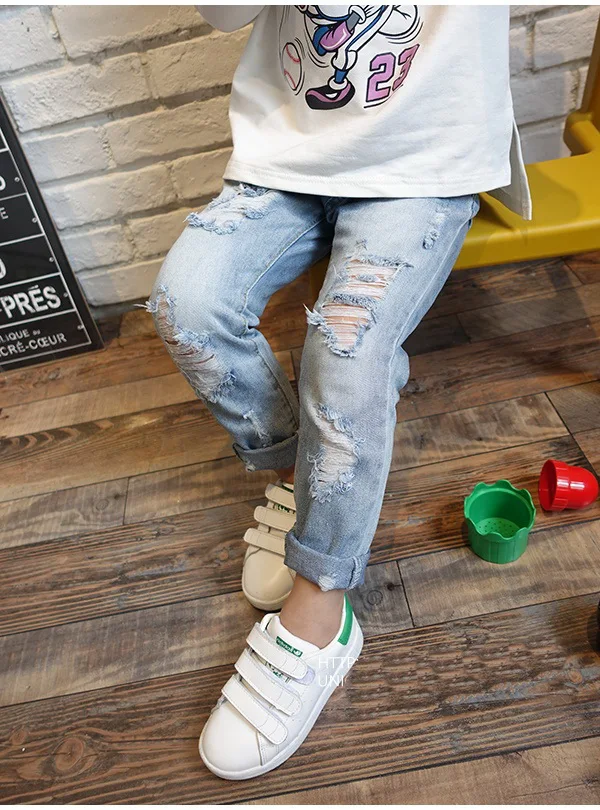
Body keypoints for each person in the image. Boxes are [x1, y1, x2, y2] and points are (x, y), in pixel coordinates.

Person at [146, 4, 532, 781]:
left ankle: (321, 608)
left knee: (347, 353)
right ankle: (302, 479)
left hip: (422, 161)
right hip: (288, 155)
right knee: (188, 307)